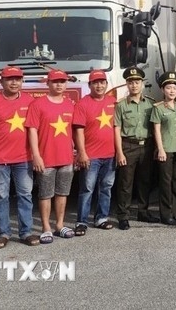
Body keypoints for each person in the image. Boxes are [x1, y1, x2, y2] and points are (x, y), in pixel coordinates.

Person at [0, 66, 39, 249]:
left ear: (22, 81)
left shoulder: (30, 102)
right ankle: (4, 233)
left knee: (25, 195)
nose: (14, 82)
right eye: (10, 79)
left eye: (18, 79)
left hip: (24, 158)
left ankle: (26, 232)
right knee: (1, 196)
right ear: (1, 82)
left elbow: (36, 129)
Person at [26, 69, 76, 244]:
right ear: (48, 83)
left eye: (62, 81)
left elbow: (75, 132)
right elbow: (32, 131)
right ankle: (46, 227)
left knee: (63, 192)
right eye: (55, 81)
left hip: (66, 158)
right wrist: (36, 156)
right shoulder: (37, 104)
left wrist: (76, 152)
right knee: (45, 194)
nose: (59, 84)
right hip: (46, 158)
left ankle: (60, 225)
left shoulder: (70, 104)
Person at [73, 70, 117, 236]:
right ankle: (81, 221)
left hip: (110, 154)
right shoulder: (83, 104)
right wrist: (81, 153)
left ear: (106, 84)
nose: (99, 86)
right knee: (87, 188)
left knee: (106, 187)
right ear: (89, 85)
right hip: (91, 155)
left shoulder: (113, 102)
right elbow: (78, 130)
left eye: (102, 82)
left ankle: (101, 218)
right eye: (95, 83)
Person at [114, 66, 157, 230]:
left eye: (137, 82)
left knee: (145, 181)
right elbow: (117, 129)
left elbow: (155, 127)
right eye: (131, 82)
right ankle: (123, 216)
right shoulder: (121, 105)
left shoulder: (151, 104)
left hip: (146, 145)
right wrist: (119, 152)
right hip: (128, 146)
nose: (134, 85)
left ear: (142, 84)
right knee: (125, 183)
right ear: (127, 84)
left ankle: (143, 211)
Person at [151, 71, 176, 225]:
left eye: (174, 88)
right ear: (163, 90)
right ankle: (165, 214)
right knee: (165, 182)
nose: (172, 91)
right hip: (165, 150)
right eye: (168, 88)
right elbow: (156, 130)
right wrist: (161, 149)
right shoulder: (158, 108)